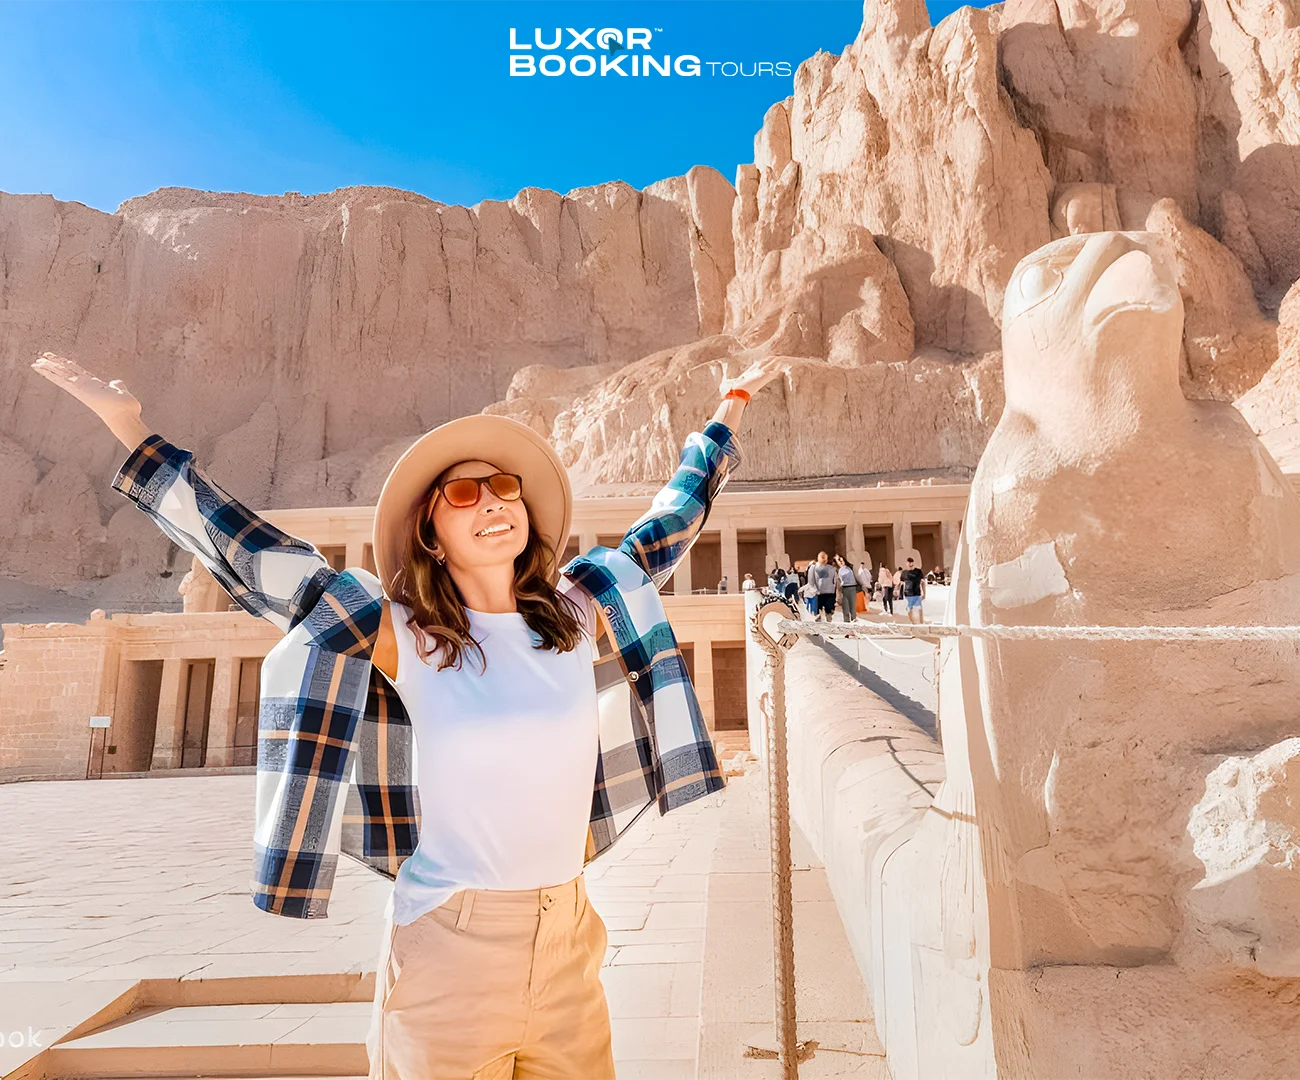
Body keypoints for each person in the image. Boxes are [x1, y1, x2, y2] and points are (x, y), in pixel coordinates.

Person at [32, 349, 784, 1080]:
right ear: (432, 530)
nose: (492, 500)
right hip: (450, 948)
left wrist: (728, 411)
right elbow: (257, 561)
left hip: (570, 940)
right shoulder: (408, 636)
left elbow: (669, 523)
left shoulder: (579, 612)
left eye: (504, 486)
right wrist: (133, 432)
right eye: (464, 494)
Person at [807, 551, 838, 622]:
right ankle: (818, 627)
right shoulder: (813, 568)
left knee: (829, 612)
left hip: (829, 593)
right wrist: (814, 590)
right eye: (822, 556)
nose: (823, 558)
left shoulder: (831, 569)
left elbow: (835, 581)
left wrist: (834, 591)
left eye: (825, 557)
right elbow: (811, 580)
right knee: (817, 613)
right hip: (817, 593)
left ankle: (829, 625)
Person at [900, 556, 926, 624]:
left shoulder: (918, 571)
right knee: (909, 609)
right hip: (907, 594)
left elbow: (923, 582)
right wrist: (901, 594)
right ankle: (912, 623)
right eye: (909, 562)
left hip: (917, 593)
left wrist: (924, 593)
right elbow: (902, 584)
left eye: (911, 562)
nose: (910, 564)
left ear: (913, 563)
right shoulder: (904, 573)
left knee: (919, 608)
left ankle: (921, 623)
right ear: (906, 563)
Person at [834, 554, 858, 622]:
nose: (841, 562)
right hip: (844, 588)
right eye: (839, 561)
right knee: (845, 606)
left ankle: (854, 619)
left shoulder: (850, 568)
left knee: (852, 605)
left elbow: (857, 577)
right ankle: (846, 620)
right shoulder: (839, 570)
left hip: (852, 587)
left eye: (842, 560)